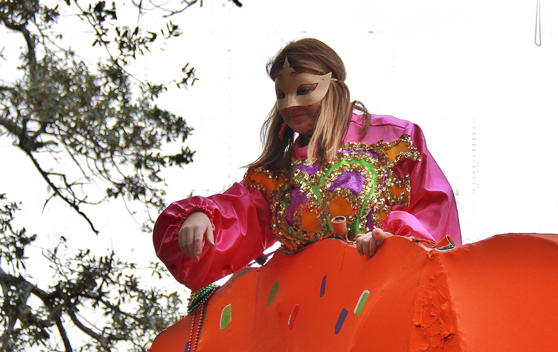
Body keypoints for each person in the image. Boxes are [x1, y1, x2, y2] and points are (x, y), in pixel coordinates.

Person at [153, 38, 461, 292]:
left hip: (389, 294)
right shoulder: (276, 176)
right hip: (307, 319)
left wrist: (396, 241)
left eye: (304, 90)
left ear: (333, 88)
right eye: (282, 95)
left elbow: (434, 209)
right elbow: (240, 216)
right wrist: (202, 217)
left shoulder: (394, 140)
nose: (290, 105)